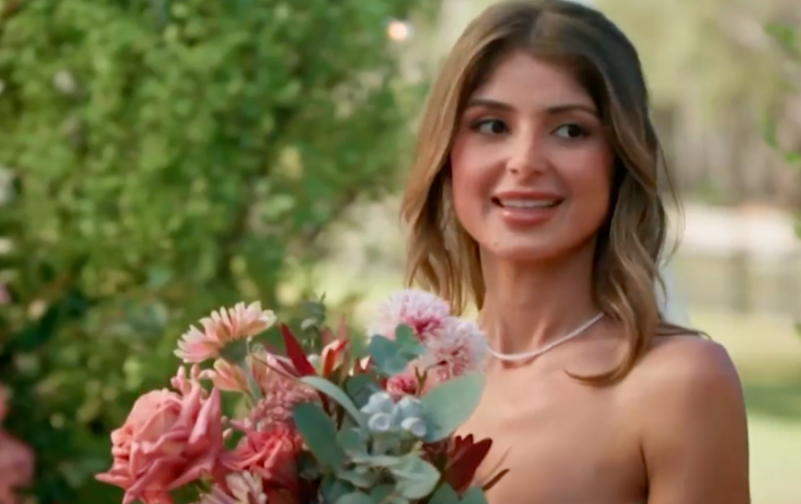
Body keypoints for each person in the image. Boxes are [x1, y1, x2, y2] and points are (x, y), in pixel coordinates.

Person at [400, 1, 749, 503]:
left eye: (570, 130)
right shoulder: (403, 385)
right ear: (448, 154)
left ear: (620, 159)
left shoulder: (680, 384)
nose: (524, 162)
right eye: (492, 126)